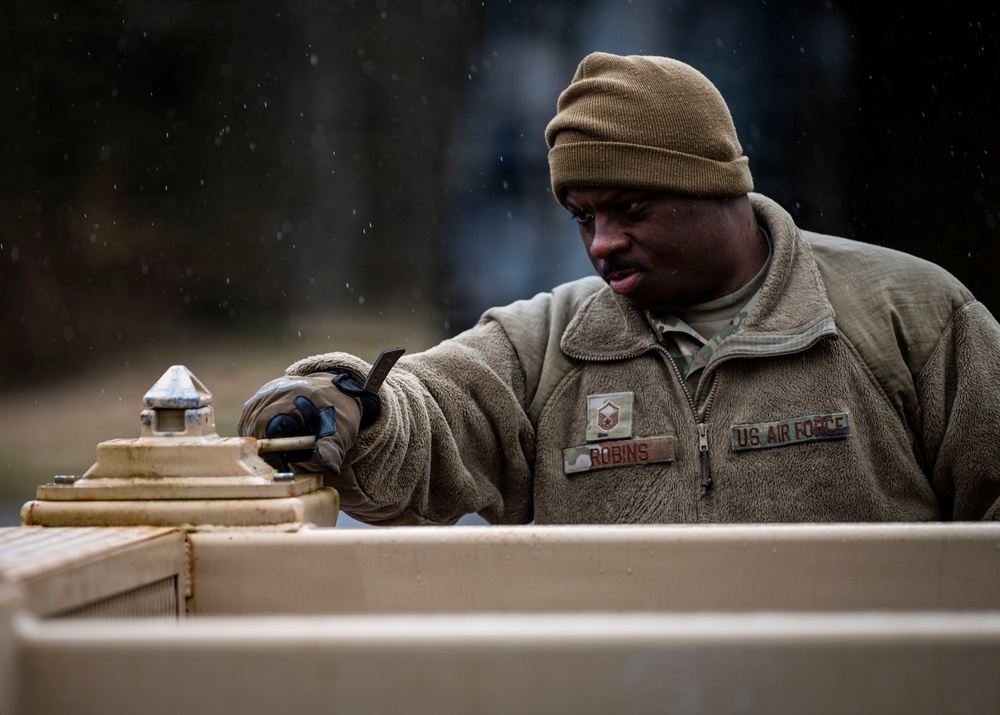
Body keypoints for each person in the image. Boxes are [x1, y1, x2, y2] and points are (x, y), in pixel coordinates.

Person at [239, 52, 1000, 525]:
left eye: (632, 210)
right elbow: (432, 411)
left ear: (719, 189)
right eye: (582, 216)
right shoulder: (544, 346)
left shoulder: (912, 316)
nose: (601, 243)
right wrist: (349, 406)